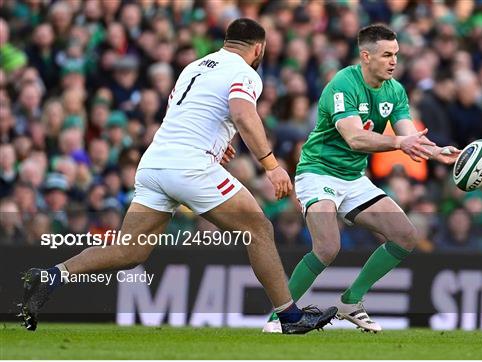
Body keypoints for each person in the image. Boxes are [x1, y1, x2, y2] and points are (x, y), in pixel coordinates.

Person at [19, 18, 336, 334]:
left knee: (130, 250)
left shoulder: (194, 67)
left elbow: (189, 114)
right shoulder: (245, 72)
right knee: (258, 228)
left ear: (227, 41)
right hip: (190, 167)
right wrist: (270, 164)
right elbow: (242, 112)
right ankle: (290, 318)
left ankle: (51, 275)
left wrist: (218, 143)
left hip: (155, 163)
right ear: (259, 48)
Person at [263, 24, 460, 333]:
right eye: (386, 55)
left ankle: (351, 301)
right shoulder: (343, 83)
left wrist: (437, 152)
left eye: (396, 54)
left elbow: (410, 135)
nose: (394, 61)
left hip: (354, 178)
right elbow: (355, 138)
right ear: (366, 56)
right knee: (327, 247)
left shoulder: (395, 90)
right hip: (318, 171)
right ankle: (279, 318)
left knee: (406, 235)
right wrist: (398, 143)